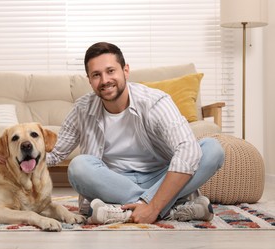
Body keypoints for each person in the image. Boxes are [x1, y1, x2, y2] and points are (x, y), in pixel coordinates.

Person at [54, 42, 225, 224]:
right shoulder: (82, 108)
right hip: (112, 183)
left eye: (111, 71)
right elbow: (55, 153)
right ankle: (171, 210)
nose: (105, 80)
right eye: (96, 75)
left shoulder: (155, 101)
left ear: (125, 70)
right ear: (89, 80)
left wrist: (151, 204)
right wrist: (22, 154)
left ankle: (127, 211)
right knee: (78, 166)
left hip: (160, 177)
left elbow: (187, 150)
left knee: (213, 149)